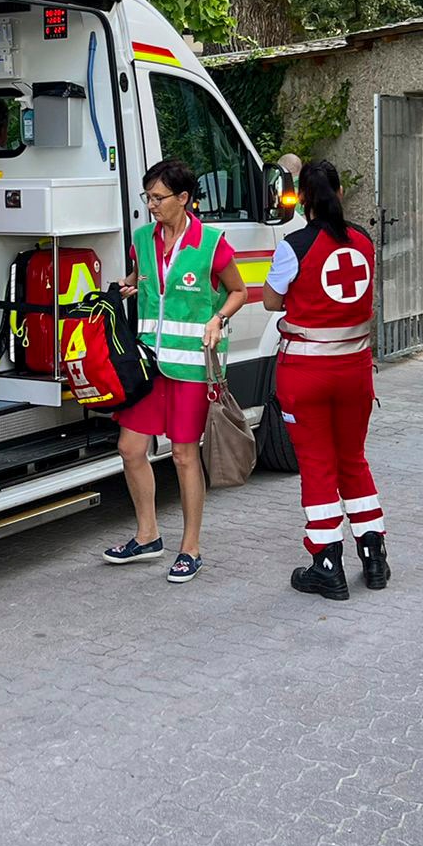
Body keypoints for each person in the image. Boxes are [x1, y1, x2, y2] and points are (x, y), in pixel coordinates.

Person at [101, 157, 248, 584]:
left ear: (183, 198)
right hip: (149, 365)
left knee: (184, 456)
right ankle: (147, 536)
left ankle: (190, 548)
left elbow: (239, 291)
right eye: (147, 197)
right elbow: (142, 277)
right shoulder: (142, 239)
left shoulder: (211, 243)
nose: (151, 205)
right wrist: (130, 285)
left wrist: (218, 318)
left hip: (191, 369)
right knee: (130, 448)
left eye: (158, 197)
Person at [260, 160, 387, 601]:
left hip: (306, 374)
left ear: (302, 200)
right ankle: (374, 557)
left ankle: (327, 564)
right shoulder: (363, 240)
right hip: (355, 371)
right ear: (339, 193)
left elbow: (271, 301)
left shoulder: (293, 245)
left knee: (317, 465)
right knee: (353, 459)